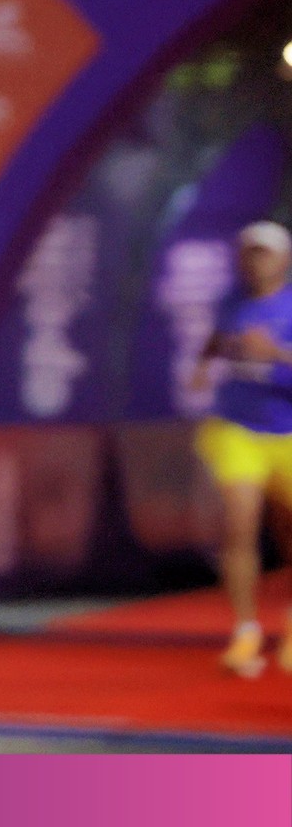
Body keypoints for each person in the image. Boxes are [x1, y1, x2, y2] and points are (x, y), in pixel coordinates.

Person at [184, 218, 292, 678]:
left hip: (287, 432)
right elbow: (217, 339)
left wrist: (277, 355)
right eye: (249, 252)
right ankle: (246, 631)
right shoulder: (232, 303)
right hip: (237, 429)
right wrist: (202, 367)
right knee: (239, 523)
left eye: (263, 253)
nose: (254, 261)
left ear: (284, 259)